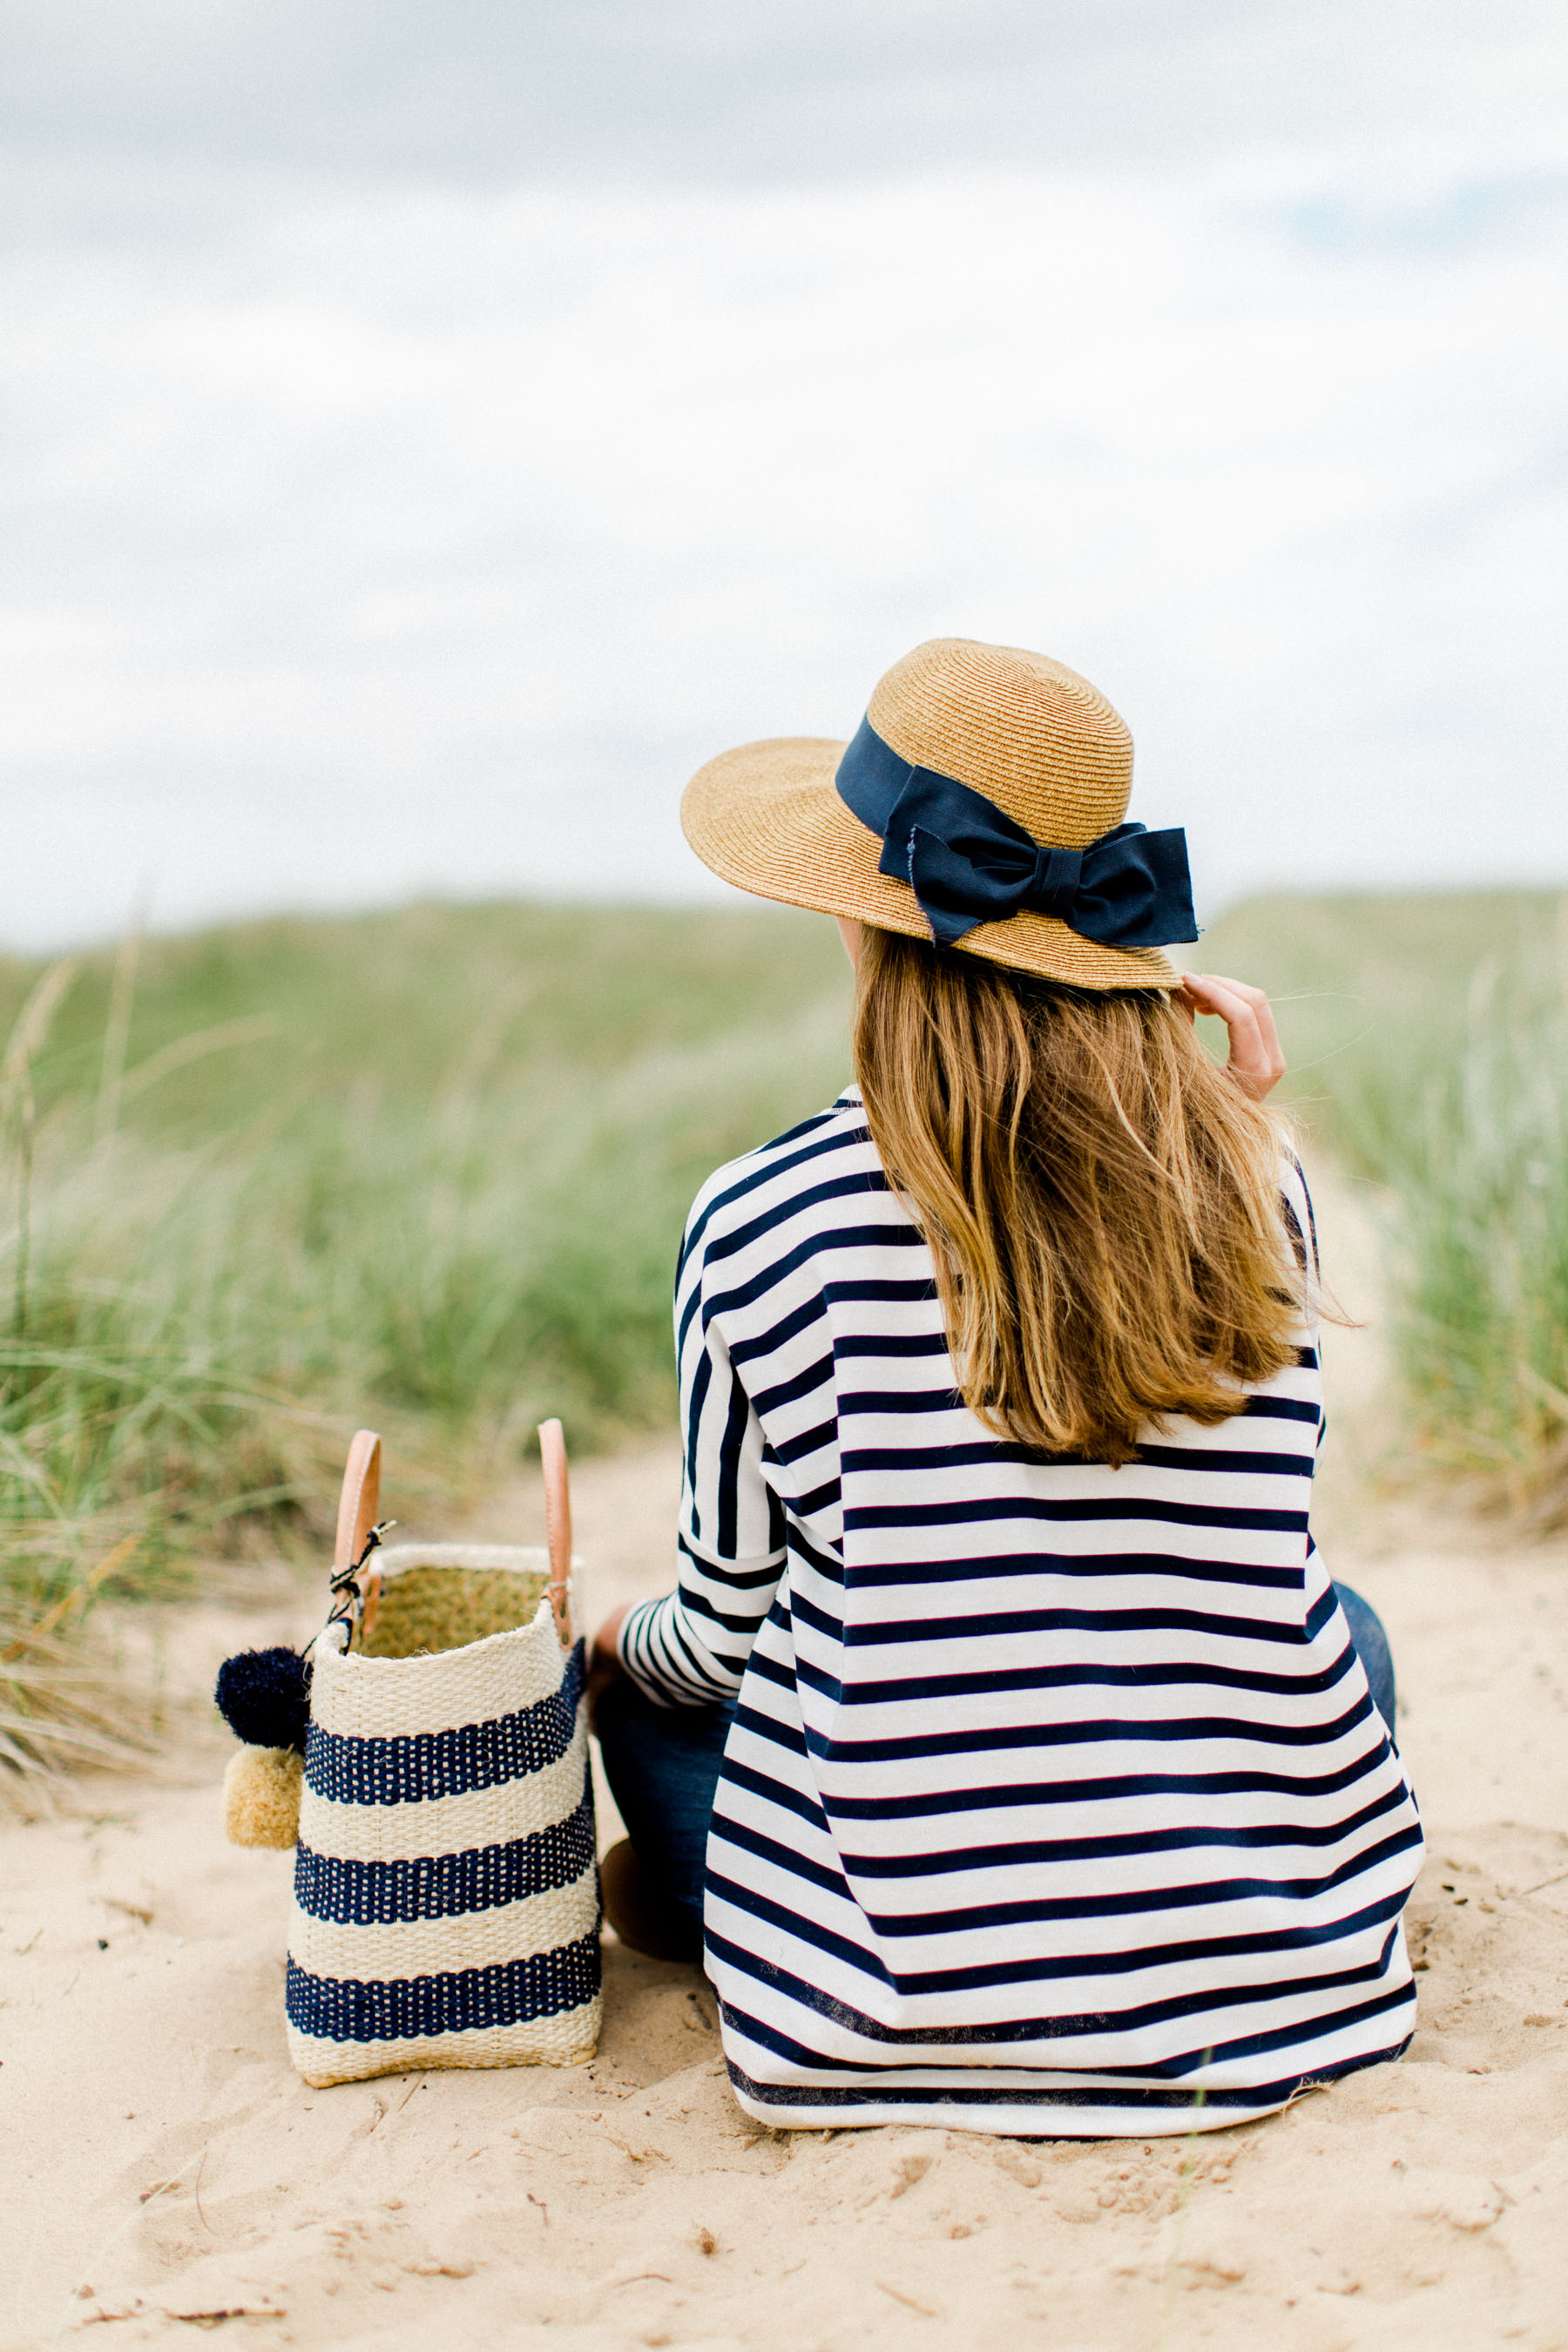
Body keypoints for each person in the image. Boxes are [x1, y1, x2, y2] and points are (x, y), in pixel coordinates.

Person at [591, 637, 1422, 2138]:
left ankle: (715, 1916)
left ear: (857, 925)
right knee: (1338, 1626)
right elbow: (1245, 1561)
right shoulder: (1260, 1192)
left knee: (654, 1697)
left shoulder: (760, 1217)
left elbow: (722, 1637)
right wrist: (1182, 1080)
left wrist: (608, 1643)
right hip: (1287, 1998)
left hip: (885, 2013)